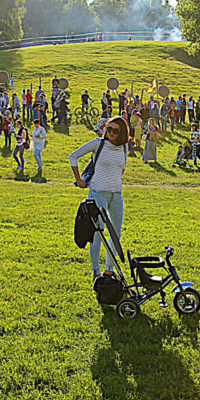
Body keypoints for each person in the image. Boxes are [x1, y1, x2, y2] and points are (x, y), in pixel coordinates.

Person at [69, 116, 130, 280]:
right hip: (98, 193)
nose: (109, 132)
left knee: (115, 234)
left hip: (116, 194)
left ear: (122, 132)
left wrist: (114, 180)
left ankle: (109, 269)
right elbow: (73, 156)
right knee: (98, 233)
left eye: (114, 130)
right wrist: (80, 180)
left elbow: (121, 169)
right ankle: (96, 272)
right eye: (108, 128)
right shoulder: (98, 144)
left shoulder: (124, 147)